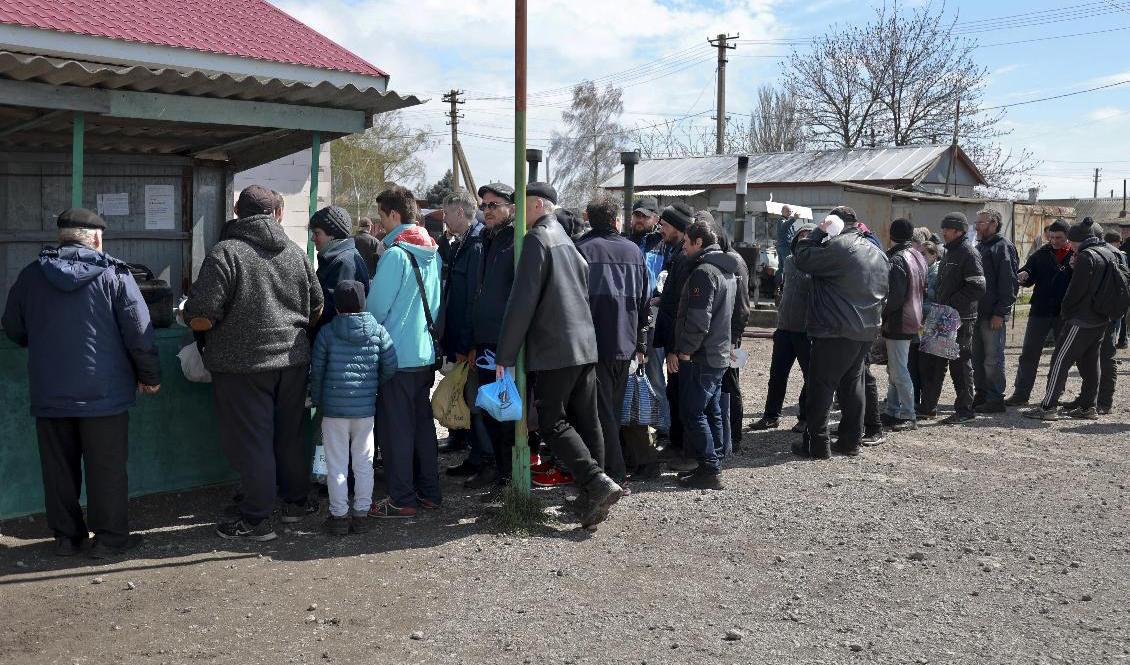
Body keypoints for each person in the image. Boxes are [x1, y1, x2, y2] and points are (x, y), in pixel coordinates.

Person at [2, 209, 160, 559]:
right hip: (104, 395)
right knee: (107, 469)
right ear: (97, 238)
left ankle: (65, 538)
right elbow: (139, 333)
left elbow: (13, 327)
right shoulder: (115, 275)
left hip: (50, 391)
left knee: (58, 469)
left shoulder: (31, 276)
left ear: (62, 237)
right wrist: (150, 376)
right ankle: (108, 540)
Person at [184, 185, 323, 541]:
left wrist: (199, 321)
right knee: (290, 434)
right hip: (292, 360)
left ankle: (257, 518)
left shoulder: (226, 253)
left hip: (242, 367)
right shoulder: (294, 252)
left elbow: (201, 316)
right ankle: (295, 503)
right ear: (276, 212)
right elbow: (317, 308)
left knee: (253, 441)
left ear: (236, 211)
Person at [495, 182, 624, 529]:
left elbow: (521, 303)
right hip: (584, 344)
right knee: (587, 418)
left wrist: (504, 355)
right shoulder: (567, 240)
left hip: (556, 347)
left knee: (550, 419)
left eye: (521, 205)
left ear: (538, 204)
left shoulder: (538, 239)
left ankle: (596, 483)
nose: (516, 213)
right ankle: (593, 498)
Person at [364, 185, 442, 517]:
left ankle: (401, 499)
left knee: (395, 431)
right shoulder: (432, 252)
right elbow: (435, 305)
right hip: (423, 355)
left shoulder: (396, 254)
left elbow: (375, 308)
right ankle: (430, 492)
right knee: (423, 428)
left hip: (395, 356)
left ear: (395, 215)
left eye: (381, 217)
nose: (379, 226)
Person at [791, 206, 889, 459]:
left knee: (820, 387)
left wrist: (816, 233)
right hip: (865, 330)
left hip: (835, 330)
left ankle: (817, 444)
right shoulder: (877, 251)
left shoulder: (841, 247)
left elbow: (801, 257)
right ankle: (850, 441)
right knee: (852, 385)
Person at [310, 281, 397, 535]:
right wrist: (372, 384)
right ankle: (361, 515)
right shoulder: (377, 331)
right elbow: (391, 365)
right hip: (365, 410)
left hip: (334, 410)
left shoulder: (327, 333)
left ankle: (338, 517)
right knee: (364, 462)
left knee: (337, 465)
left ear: (336, 307)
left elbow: (317, 372)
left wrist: (318, 400)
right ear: (363, 302)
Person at [575, 194, 650, 485]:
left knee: (600, 412)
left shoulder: (581, 249)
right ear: (616, 219)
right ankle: (610, 469)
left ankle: (612, 473)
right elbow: (645, 302)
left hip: (592, 343)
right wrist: (641, 342)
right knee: (611, 410)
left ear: (589, 218)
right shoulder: (634, 252)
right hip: (626, 342)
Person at [1025, 218, 1124, 420]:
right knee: (1090, 362)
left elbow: (1075, 291)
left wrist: (1066, 311)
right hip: (1102, 317)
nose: (1071, 245)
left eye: (1072, 241)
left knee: (1060, 359)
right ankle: (1089, 407)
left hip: (1082, 318)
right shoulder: (1111, 252)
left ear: (1077, 239)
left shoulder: (1086, 256)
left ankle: (1048, 407)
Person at [670, 220, 739, 488]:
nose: (683, 247)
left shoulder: (704, 272)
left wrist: (685, 350)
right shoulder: (727, 271)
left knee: (692, 411)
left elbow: (699, 320)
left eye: (686, 242)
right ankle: (714, 462)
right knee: (711, 410)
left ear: (699, 243)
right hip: (718, 352)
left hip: (702, 355)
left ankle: (710, 469)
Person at [466, 182, 520, 491]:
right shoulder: (486, 240)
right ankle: (498, 471)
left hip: (506, 343)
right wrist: (473, 341)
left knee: (506, 411)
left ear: (511, 208)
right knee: (487, 409)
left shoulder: (517, 243)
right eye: (484, 205)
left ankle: (510, 477)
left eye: (494, 205)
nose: (487, 211)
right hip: (485, 342)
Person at [438, 190, 491, 473]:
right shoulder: (463, 243)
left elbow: (473, 298)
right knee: (469, 397)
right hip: (462, 337)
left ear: (460, 212)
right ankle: (475, 453)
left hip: (470, 341)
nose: (444, 219)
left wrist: (466, 342)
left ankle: (482, 459)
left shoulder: (477, 245)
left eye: (447, 213)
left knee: (475, 400)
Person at [918, 212, 986, 424]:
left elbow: (978, 286)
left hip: (960, 318)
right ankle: (928, 408)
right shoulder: (948, 251)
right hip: (943, 314)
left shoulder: (968, 253)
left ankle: (965, 411)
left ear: (959, 231)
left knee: (959, 364)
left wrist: (952, 303)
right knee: (934, 362)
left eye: (947, 229)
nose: (943, 232)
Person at [749, 223, 815, 433]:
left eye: (807, 238)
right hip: (785, 328)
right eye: (800, 238)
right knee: (777, 375)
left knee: (810, 377)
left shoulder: (818, 265)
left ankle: (805, 417)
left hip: (807, 330)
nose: (802, 242)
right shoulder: (788, 261)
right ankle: (771, 416)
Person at [1005, 219, 1073, 407]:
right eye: (1051, 237)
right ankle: (1021, 393)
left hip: (1064, 313)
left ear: (1068, 237)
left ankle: (1055, 394)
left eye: (1058, 237)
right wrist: (1024, 275)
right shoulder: (1041, 254)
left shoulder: (1076, 255)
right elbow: (1029, 271)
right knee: (1029, 353)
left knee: (1061, 356)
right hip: (1040, 311)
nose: (1054, 241)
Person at [653, 202, 695, 469]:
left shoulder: (683, 258)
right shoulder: (675, 253)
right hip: (674, 337)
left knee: (680, 393)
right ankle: (677, 444)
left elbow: (680, 306)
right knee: (674, 390)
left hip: (678, 341)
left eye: (665, 225)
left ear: (678, 229)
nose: (661, 230)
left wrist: (673, 347)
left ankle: (683, 449)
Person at [627, 196, 671, 437]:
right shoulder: (626, 242)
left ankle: (663, 429)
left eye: (645, 215)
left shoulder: (663, 244)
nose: (640, 219)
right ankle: (634, 426)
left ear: (656, 218)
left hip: (653, 315)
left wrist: (659, 298)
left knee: (654, 375)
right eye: (637, 215)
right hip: (629, 316)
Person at [881, 219, 927, 431]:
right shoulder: (918, 255)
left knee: (898, 369)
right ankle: (892, 410)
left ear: (891, 234)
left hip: (899, 320)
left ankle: (908, 414)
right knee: (896, 368)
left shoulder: (897, 258)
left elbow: (896, 296)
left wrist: (881, 313)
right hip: (914, 317)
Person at [971, 209, 1019, 414]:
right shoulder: (980, 246)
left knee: (992, 359)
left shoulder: (1003, 247)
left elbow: (1009, 283)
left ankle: (995, 398)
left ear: (993, 224)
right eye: (977, 222)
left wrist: (1001, 312)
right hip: (976, 313)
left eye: (981, 223)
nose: (976, 226)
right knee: (977, 358)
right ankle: (981, 394)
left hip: (993, 315)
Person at [309, 205, 370, 332]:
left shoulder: (343, 263)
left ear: (332, 235)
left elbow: (330, 312)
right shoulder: (340, 258)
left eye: (317, 233)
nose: (312, 238)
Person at [1097, 230, 1128, 414]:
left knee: (1107, 356)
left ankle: (1103, 401)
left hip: (1108, 311)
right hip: (1108, 310)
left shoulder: (1116, 255)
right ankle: (1092, 399)